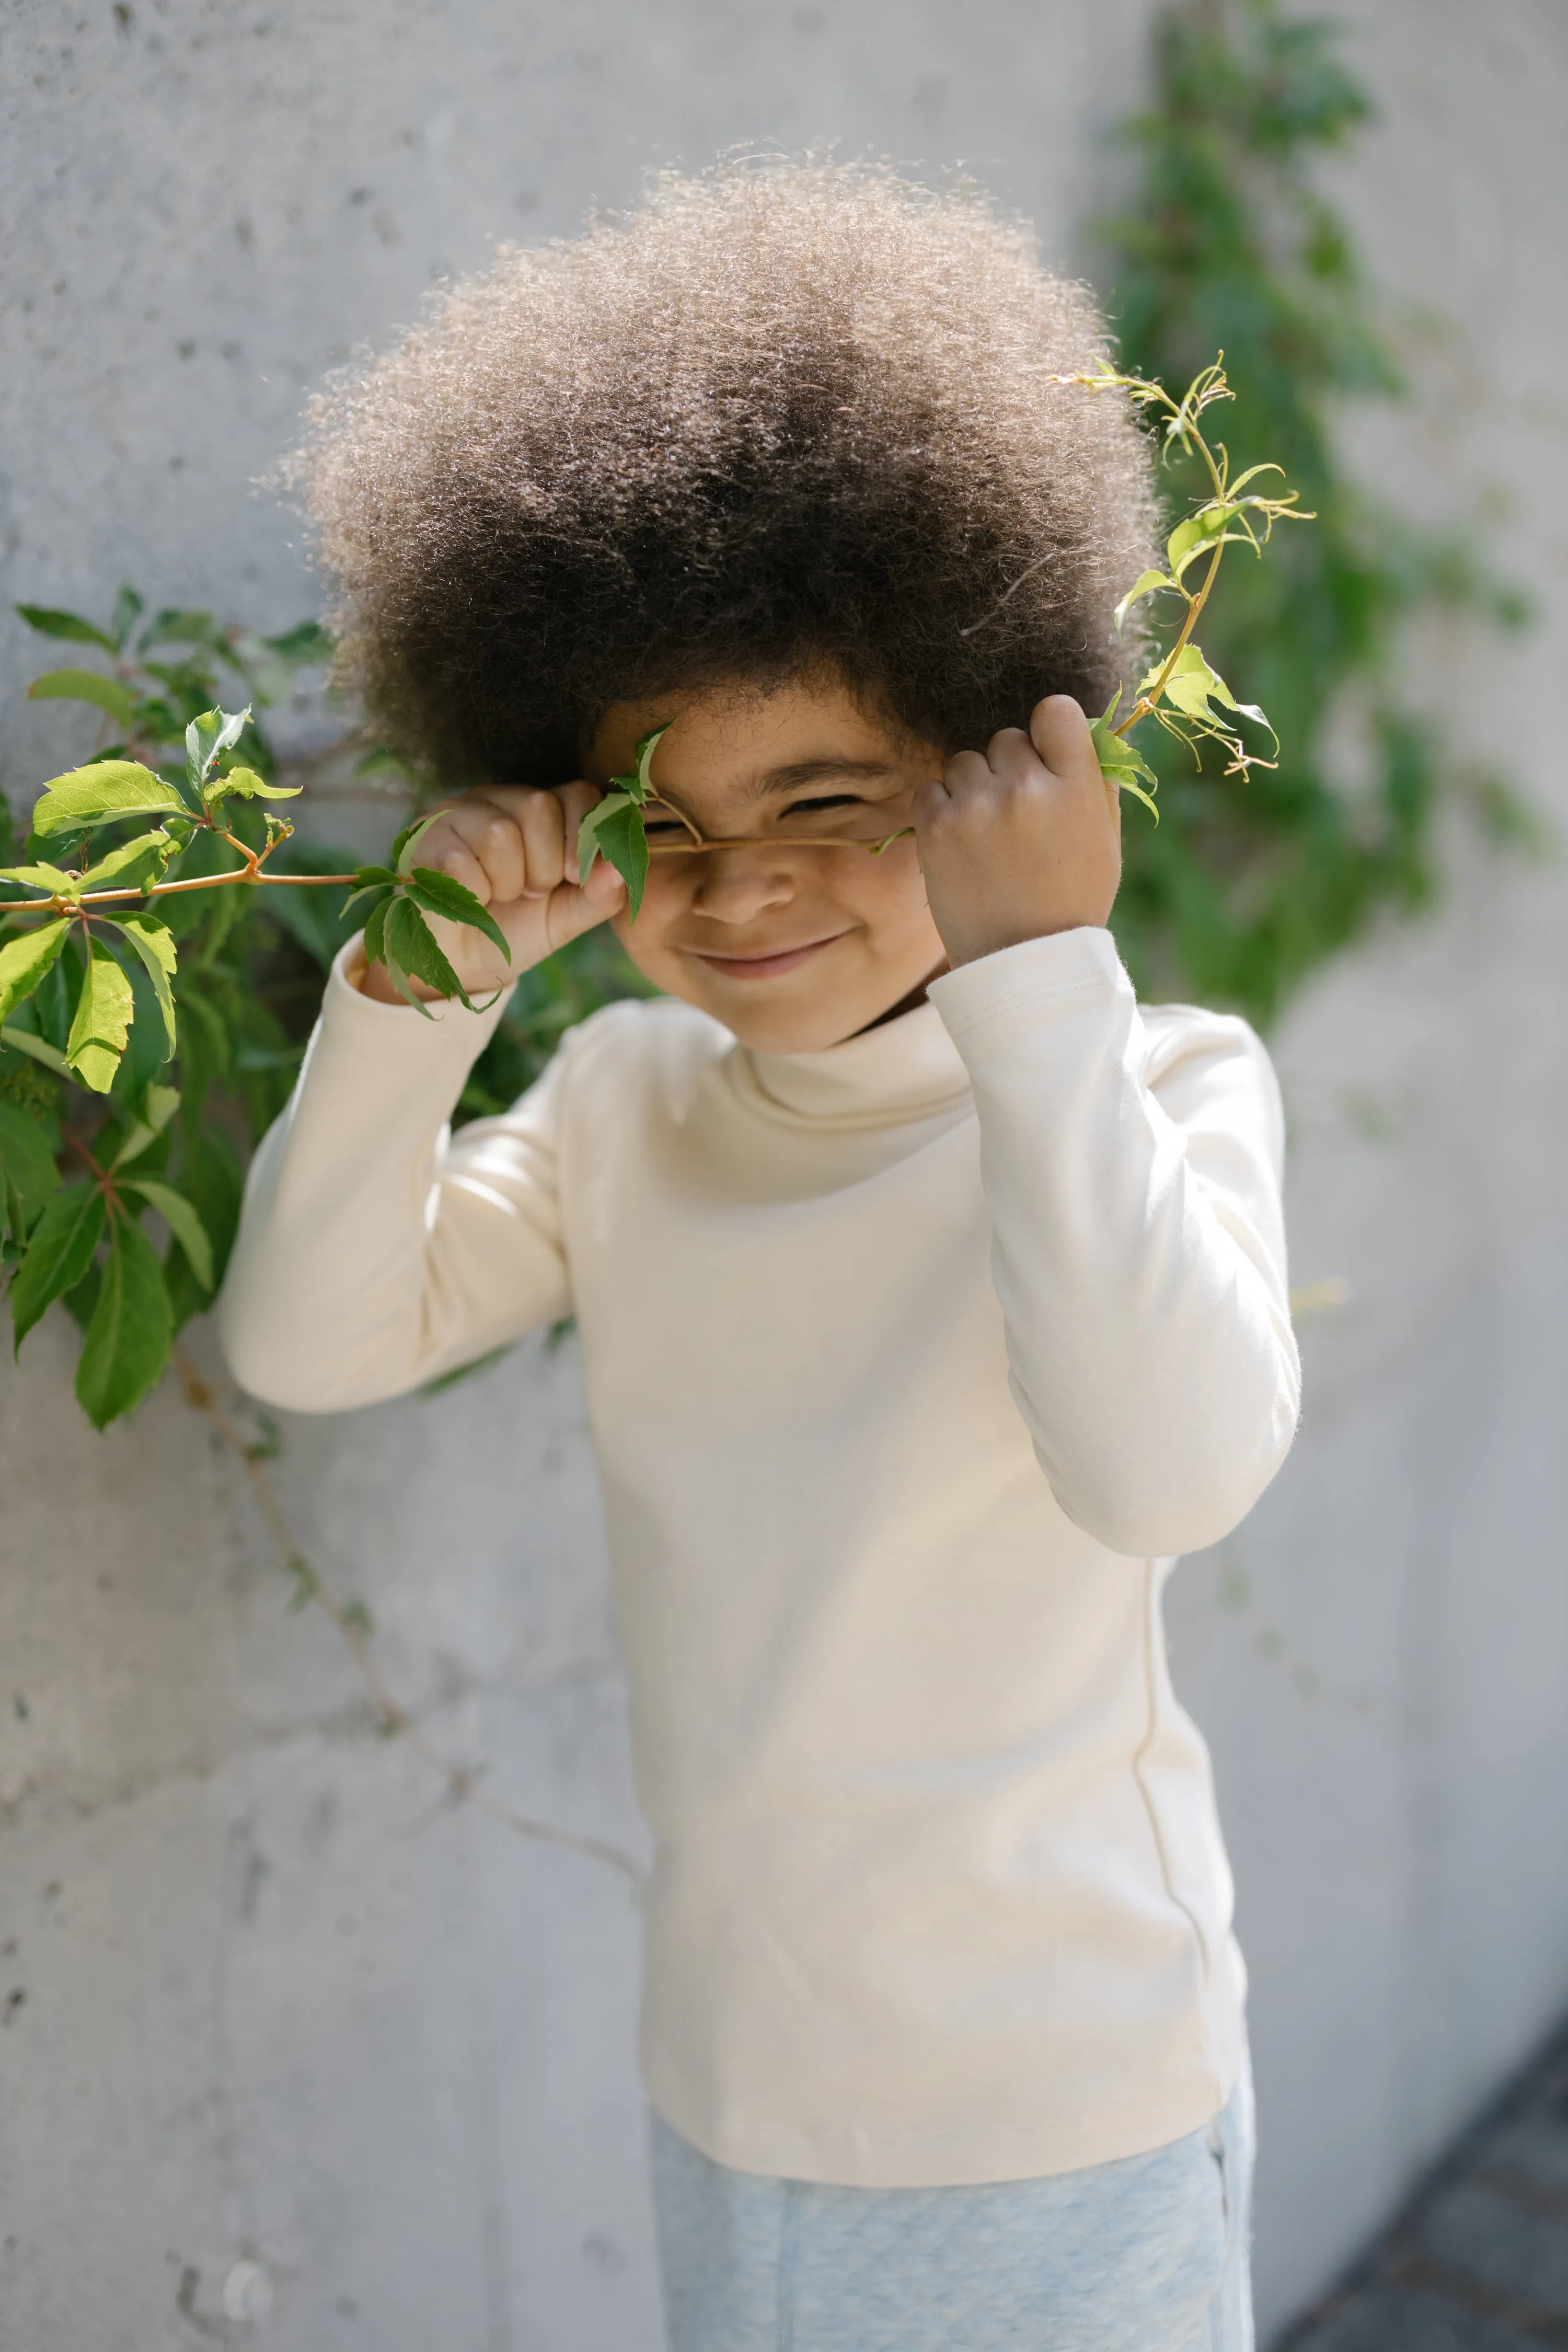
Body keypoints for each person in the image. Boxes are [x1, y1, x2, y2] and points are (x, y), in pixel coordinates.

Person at [221, 160, 1299, 2352]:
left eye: (830, 802)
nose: (742, 894)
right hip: (739, 2086)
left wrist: (1040, 980)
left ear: (1000, 758)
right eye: (664, 830)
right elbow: (312, 1347)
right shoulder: (628, 1109)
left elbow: (1166, 1474)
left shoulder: (1147, 1081)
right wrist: (414, 996)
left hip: (1062, 2099)